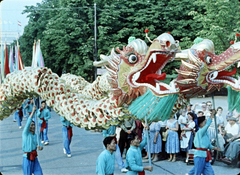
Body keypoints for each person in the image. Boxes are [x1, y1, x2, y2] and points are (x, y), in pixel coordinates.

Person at [187, 111, 220, 175]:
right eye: (204, 121)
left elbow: (208, 144)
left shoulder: (206, 133)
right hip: (199, 155)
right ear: (201, 124)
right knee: (197, 172)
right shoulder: (200, 132)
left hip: (205, 155)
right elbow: (207, 125)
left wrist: (215, 148)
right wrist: (212, 115)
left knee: (210, 173)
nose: (206, 122)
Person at [22, 106, 43, 175]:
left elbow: (40, 144)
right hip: (27, 158)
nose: (33, 126)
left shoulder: (36, 135)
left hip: (34, 157)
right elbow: (28, 123)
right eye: (31, 125)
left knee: (39, 173)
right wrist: (33, 112)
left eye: (33, 125)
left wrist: (40, 147)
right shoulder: (25, 133)